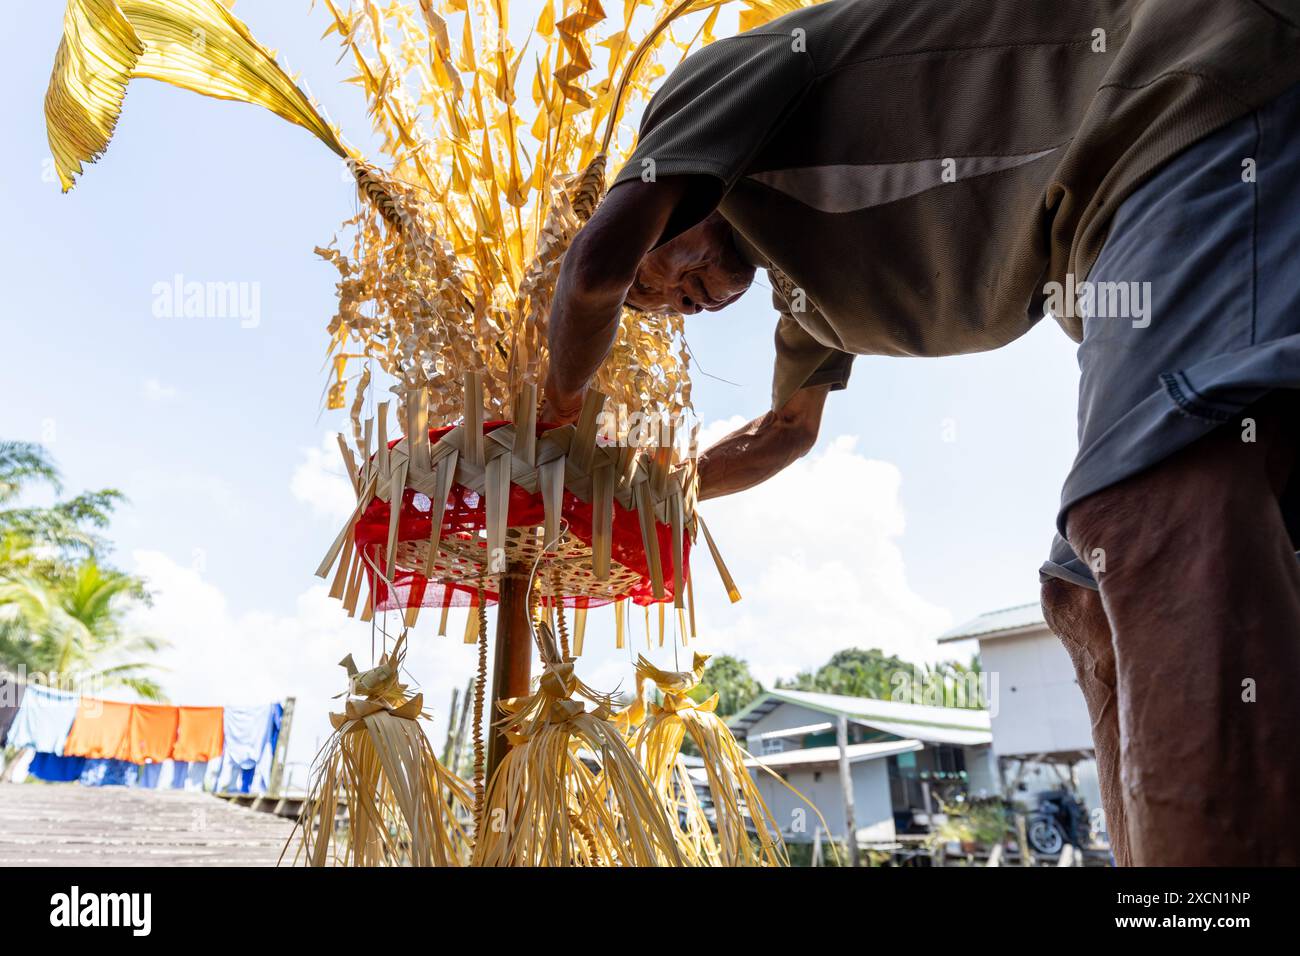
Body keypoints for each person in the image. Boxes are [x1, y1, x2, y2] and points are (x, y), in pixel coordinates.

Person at [541, 0, 1300, 865]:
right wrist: (628, 486)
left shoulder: (703, 91)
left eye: (658, 281)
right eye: (663, 309)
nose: (674, 303)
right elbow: (784, 436)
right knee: (1084, 601)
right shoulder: (807, 303)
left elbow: (594, 267)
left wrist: (555, 420)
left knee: (1149, 521)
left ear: (646, 187)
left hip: (1179, 99)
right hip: (1117, 228)